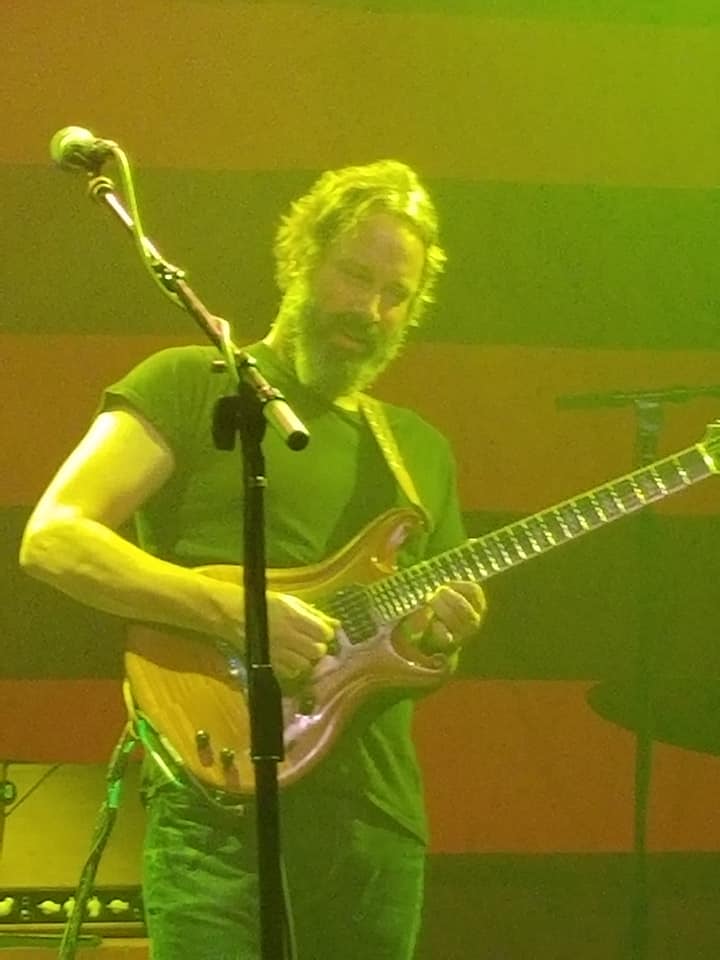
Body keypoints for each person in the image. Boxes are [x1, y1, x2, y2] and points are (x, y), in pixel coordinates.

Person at [20, 159, 487, 960]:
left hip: (370, 823)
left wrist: (443, 628)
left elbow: (421, 641)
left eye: (396, 294)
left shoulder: (418, 450)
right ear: (301, 257)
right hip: (215, 816)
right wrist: (237, 612)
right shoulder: (188, 383)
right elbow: (54, 537)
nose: (370, 309)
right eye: (355, 276)